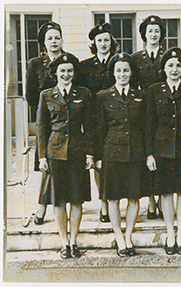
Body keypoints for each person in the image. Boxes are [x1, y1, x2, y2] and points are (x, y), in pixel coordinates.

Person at [145, 47, 181, 255]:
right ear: (163, 68)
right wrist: (150, 153)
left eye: (178, 65)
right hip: (162, 150)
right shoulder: (154, 90)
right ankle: (170, 234)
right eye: (170, 65)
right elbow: (149, 124)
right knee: (166, 192)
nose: (174, 69)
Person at [37, 53, 94, 259]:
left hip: (78, 153)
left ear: (74, 73)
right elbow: (42, 129)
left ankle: (73, 241)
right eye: (62, 71)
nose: (66, 74)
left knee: (77, 200)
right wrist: (42, 157)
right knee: (59, 200)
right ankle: (63, 242)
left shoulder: (84, 94)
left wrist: (89, 154)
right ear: (55, 73)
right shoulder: (46, 95)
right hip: (55, 153)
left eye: (70, 71)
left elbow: (89, 126)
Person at [95, 53, 146, 257]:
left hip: (135, 153)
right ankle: (118, 236)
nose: (122, 74)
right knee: (113, 198)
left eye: (126, 70)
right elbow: (98, 129)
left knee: (134, 197)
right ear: (113, 73)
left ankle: (128, 235)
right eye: (118, 70)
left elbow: (145, 127)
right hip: (112, 153)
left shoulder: (140, 96)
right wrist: (98, 156)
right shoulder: (103, 96)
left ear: (131, 72)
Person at [26, 21, 65, 225]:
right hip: (47, 123)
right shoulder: (35, 64)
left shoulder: (70, 61)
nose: (54, 41)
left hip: (65, 123)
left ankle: (47, 207)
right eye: (50, 38)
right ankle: (41, 207)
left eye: (57, 37)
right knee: (47, 165)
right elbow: (31, 95)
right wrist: (45, 114)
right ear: (43, 42)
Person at [80, 23, 119, 223]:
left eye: (106, 40)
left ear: (111, 42)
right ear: (94, 43)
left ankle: (114, 201)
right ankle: (104, 202)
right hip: (94, 120)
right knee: (97, 161)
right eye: (99, 40)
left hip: (115, 119)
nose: (103, 44)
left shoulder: (120, 63)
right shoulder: (85, 66)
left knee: (114, 161)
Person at [131, 15, 166, 219]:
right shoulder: (136, 58)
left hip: (163, 112)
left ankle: (162, 199)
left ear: (161, 35)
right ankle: (151, 201)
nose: (153, 35)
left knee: (161, 156)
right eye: (150, 31)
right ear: (144, 34)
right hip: (143, 111)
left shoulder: (167, 56)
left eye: (157, 31)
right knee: (148, 155)